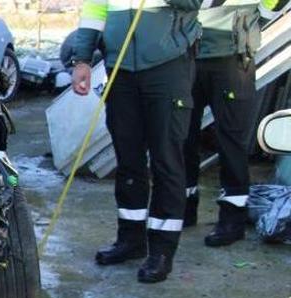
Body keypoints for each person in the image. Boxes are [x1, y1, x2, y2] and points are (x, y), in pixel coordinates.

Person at [72, 0, 219, 283]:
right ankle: (131, 239)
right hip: (120, 68)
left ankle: (162, 250)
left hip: (167, 67)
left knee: (166, 160)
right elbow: (94, 10)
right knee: (128, 160)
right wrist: (82, 59)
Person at [182, 0, 287, 245]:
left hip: (231, 56)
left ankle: (232, 219)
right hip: (186, 53)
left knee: (231, 140)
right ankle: (183, 206)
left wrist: (255, 20)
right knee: (182, 136)